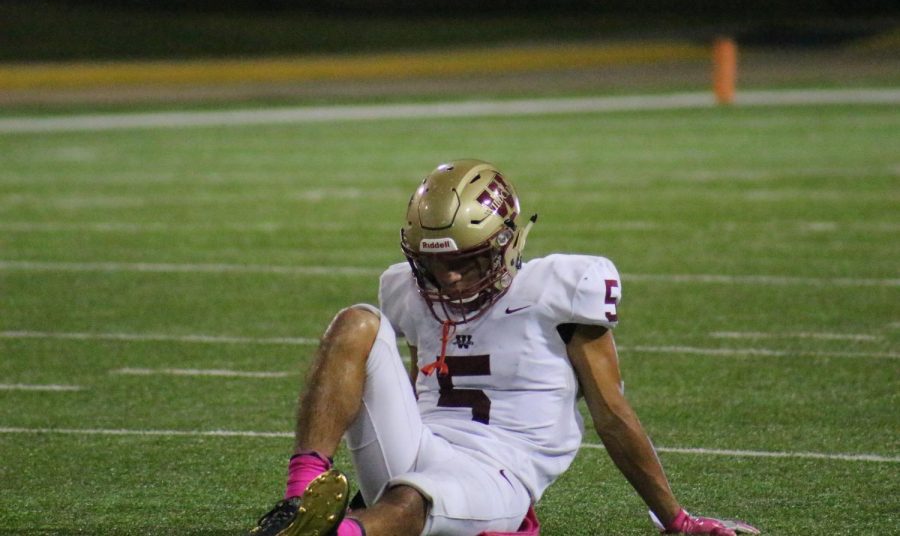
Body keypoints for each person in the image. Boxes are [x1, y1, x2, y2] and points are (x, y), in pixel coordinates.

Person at [246, 159, 759, 536]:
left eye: (465, 261)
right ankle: (298, 505)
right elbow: (414, 387)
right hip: (425, 444)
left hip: (499, 471)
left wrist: (676, 520)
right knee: (356, 322)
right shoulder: (403, 289)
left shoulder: (560, 287)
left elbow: (613, 415)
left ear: (507, 241)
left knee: (412, 496)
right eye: (432, 263)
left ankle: (340, 534)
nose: (446, 279)